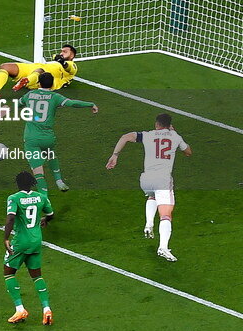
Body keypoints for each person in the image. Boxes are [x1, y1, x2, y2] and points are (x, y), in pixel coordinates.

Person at [106, 113, 192, 262]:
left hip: (146, 180)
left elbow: (125, 136)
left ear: (156, 124)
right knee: (166, 215)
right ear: (169, 125)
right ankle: (163, 247)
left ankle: (149, 223)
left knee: (152, 196)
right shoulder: (175, 137)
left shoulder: (147, 135)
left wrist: (115, 155)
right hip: (163, 180)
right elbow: (188, 152)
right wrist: (175, 134)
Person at [18, 72, 97, 194]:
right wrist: (90, 104)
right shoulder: (55, 97)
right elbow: (72, 103)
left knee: (38, 173)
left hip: (31, 139)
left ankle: (44, 199)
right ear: (53, 84)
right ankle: (59, 181)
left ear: (38, 83)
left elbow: (19, 103)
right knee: (51, 156)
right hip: (48, 138)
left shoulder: (29, 94)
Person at [3, 171, 54, 325]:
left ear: (18, 184)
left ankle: (20, 309)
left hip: (20, 242)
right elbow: (51, 214)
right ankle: (46, 309)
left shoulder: (14, 198)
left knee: (9, 273)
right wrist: (45, 219)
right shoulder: (41, 197)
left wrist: (5, 238)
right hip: (36, 241)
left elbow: (11, 217)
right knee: (37, 275)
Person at [0, 44, 79, 102]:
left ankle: (26, 81)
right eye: (61, 51)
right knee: (5, 66)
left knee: (39, 72)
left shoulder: (71, 65)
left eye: (65, 51)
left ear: (72, 55)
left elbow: (69, 68)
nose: (61, 53)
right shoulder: (55, 61)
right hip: (32, 67)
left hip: (44, 76)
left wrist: (62, 61)